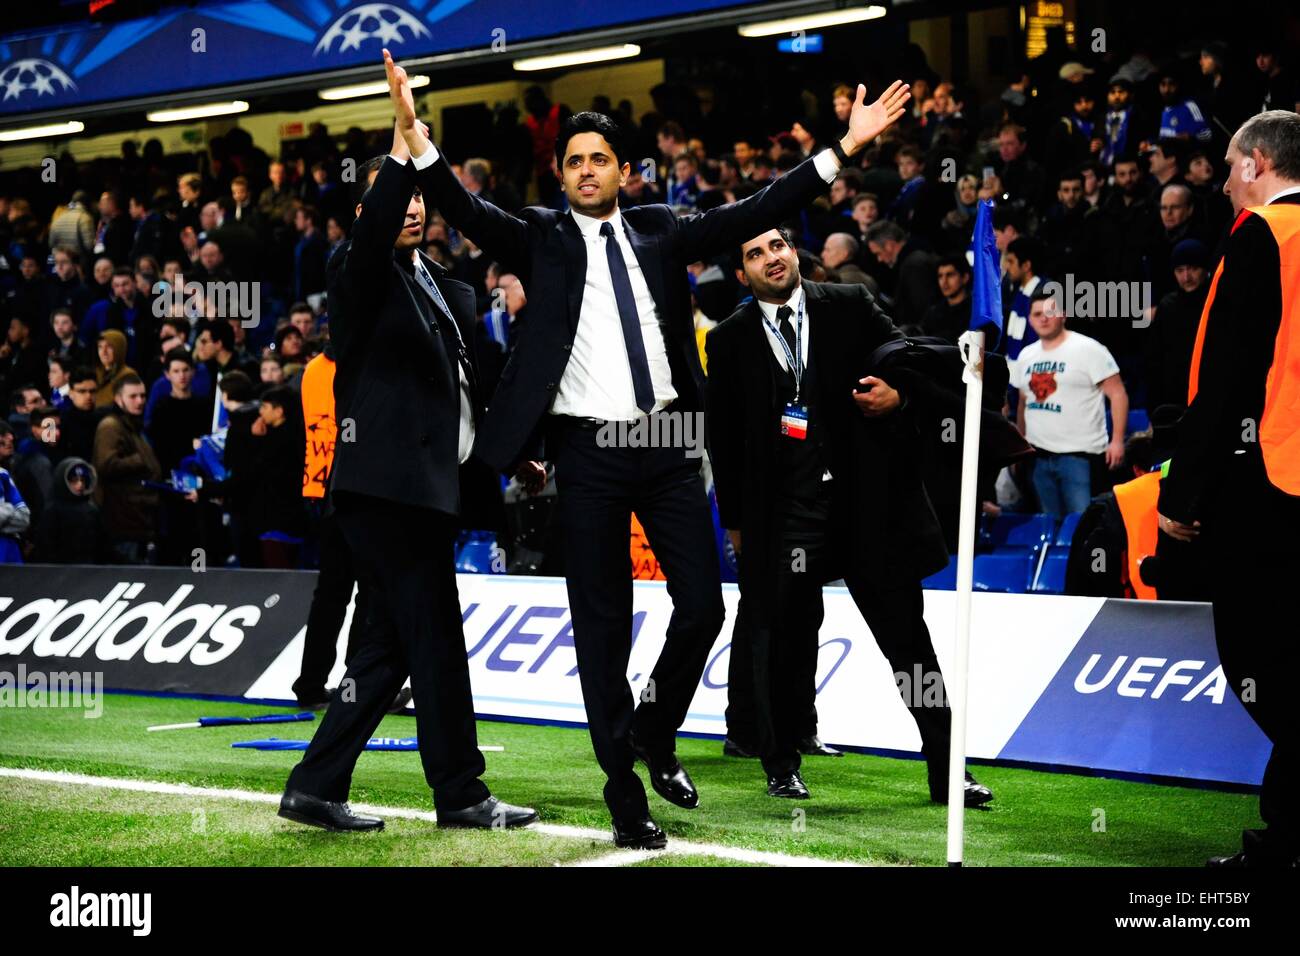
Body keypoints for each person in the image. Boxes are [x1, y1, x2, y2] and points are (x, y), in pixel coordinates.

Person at [388, 48, 911, 847]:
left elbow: (753, 208)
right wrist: (417, 141)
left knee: (703, 605)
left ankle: (654, 729)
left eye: (600, 159)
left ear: (624, 171)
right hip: (586, 454)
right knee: (601, 625)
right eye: (574, 162)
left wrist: (845, 147)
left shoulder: (663, 230)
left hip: (669, 444)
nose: (588, 170)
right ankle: (624, 797)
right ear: (560, 176)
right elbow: (466, 213)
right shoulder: (541, 237)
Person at [279, 98, 536, 833]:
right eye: (400, 197)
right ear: (370, 209)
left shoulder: (448, 286)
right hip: (384, 492)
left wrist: (515, 453)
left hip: (435, 491)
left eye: (422, 195)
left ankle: (315, 785)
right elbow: (369, 234)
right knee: (437, 640)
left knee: (384, 649)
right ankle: (460, 792)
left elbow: (471, 389)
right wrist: (400, 149)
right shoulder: (357, 274)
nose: (414, 208)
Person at [706, 226, 992, 805]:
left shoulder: (850, 303)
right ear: (742, 275)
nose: (770, 259)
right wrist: (736, 523)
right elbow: (724, 441)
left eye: (777, 246)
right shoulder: (729, 340)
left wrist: (901, 398)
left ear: (793, 252)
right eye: (754, 253)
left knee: (910, 645)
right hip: (788, 514)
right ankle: (782, 761)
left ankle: (948, 766)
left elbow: (914, 364)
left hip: (867, 508)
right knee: (782, 644)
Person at [1157, 111, 1300, 868]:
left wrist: (1184, 492)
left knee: (1260, 658)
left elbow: (1228, 373)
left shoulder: (1260, 236)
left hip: (1271, 483)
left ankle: (1287, 839)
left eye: (1229, 162)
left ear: (1259, 163)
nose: (1222, 176)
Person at [1016, 290, 1127, 515]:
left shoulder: (1088, 348)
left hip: (1080, 457)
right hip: (1038, 457)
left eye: (1050, 312)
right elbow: (1022, 403)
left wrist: (1117, 441)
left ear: (1064, 315)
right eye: (1037, 314)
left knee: (1082, 525)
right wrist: (1019, 446)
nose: (1043, 318)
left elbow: (1118, 394)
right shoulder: (1026, 355)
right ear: (1029, 319)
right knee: (1048, 527)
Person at [92, 373, 160, 564]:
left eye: (143, 395)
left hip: (139, 519)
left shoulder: (132, 425)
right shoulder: (111, 426)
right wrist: (140, 459)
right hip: (122, 522)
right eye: (133, 396)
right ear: (118, 398)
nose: (140, 401)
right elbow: (105, 465)